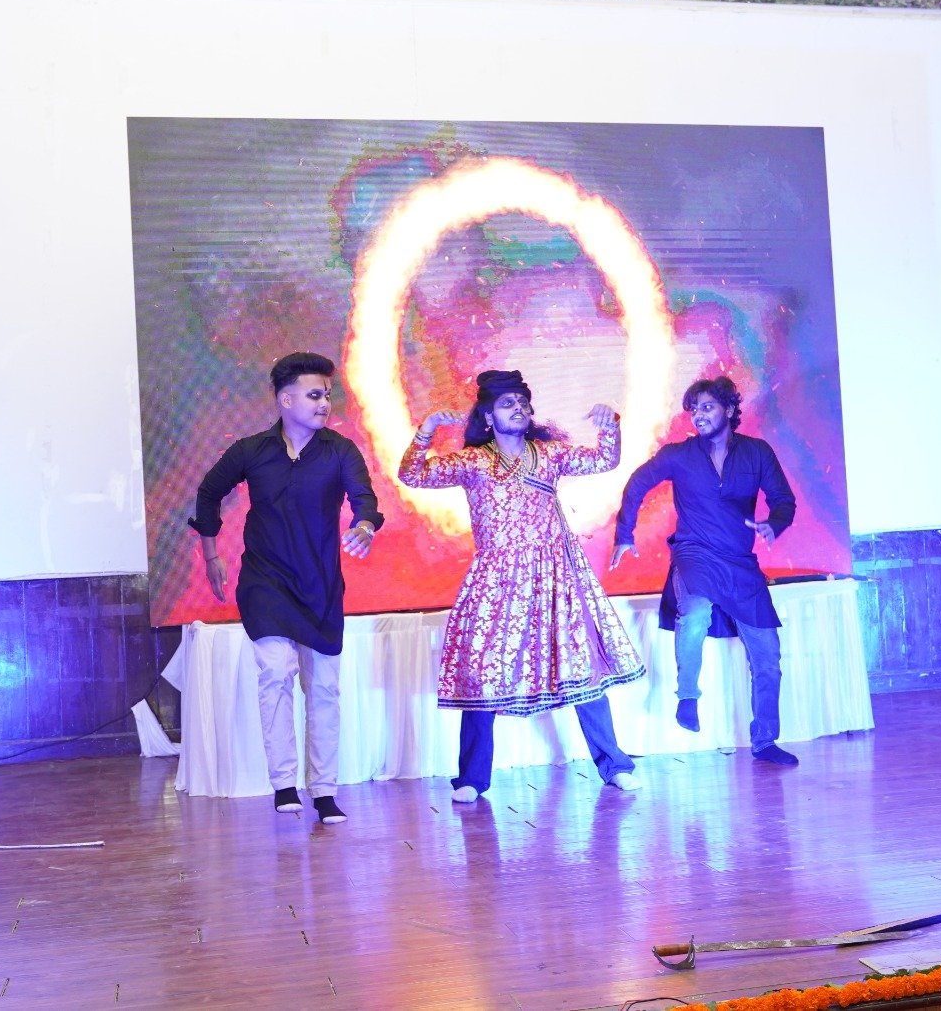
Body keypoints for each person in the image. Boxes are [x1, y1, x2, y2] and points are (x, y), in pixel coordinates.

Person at [400, 370, 645, 802]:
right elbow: (414, 474)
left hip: (556, 579)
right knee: (482, 675)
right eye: (507, 403)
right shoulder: (474, 462)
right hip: (497, 583)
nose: (518, 409)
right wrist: (427, 430)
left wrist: (610, 424)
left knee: (581, 668)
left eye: (522, 402)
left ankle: (615, 766)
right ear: (488, 416)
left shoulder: (547, 454)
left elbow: (603, 460)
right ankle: (472, 778)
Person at [190, 352, 384, 824]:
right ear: (285, 399)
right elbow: (209, 491)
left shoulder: (340, 451)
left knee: (324, 688)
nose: (324, 403)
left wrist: (364, 525)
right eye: (314, 395)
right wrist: (212, 555)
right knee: (275, 672)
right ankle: (283, 784)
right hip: (265, 581)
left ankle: (325, 791)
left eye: (327, 395)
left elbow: (365, 500)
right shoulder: (251, 451)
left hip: (320, 584)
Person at [611, 374, 800, 765]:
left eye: (707, 407)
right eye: (693, 409)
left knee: (767, 656)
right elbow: (637, 483)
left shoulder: (757, 453)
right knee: (695, 612)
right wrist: (624, 534)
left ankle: (765, 741)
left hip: (740, 563)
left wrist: (774, 524)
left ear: (729, 410)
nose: (698, 415)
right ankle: (687, 698)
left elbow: (784, 500)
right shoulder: (678, 455)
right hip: (695, 553)